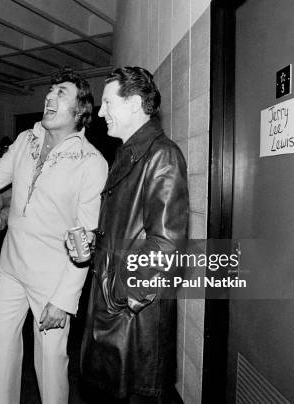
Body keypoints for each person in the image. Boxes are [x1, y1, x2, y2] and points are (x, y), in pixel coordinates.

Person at [0, 71, 108, 404]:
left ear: (80, 110)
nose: (49, 96)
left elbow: (85, 238)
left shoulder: (91, 162)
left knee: (50, 364)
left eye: (60, 92)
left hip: (52, 279)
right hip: (10, 268)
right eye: (49, 90)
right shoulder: (25, 141)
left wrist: (64, 298)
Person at [72, 67, 189, 403]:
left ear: (135, 103)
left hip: (132, 321)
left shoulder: (161, 155)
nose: (100, 111)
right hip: (116, 316)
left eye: (108, 102)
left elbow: (165, 248)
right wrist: (92, 248)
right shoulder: (129, 153)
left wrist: (116, 291)